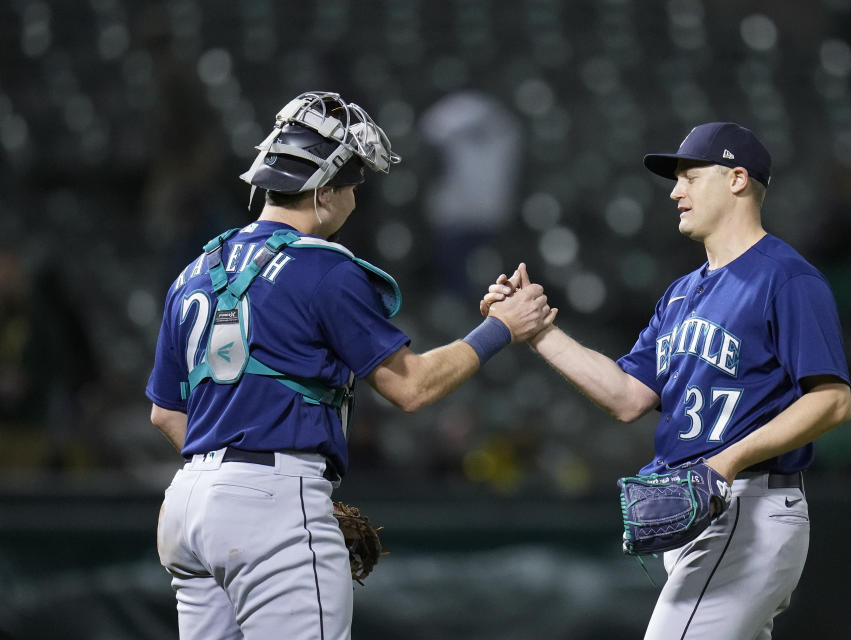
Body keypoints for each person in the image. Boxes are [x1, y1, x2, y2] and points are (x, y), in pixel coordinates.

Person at [145, 90, 555, 640]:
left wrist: (233, 483)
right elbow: (412, 387)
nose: (356, 201)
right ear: (325, 189)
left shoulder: (196, 270)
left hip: (186, 507)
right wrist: (501, 328)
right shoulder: (323, 268)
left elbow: (165, 415)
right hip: (269, 501)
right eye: (354, 184)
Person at [483, 122, 851, 639]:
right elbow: (628, 396)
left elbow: (832, 402)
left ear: (738, 179)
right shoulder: (680, 295)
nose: (676, 192)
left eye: (690, 177)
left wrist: (724, 462)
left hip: (748, 507)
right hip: (707, 515)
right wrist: (539, 331)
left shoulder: (786, 278)